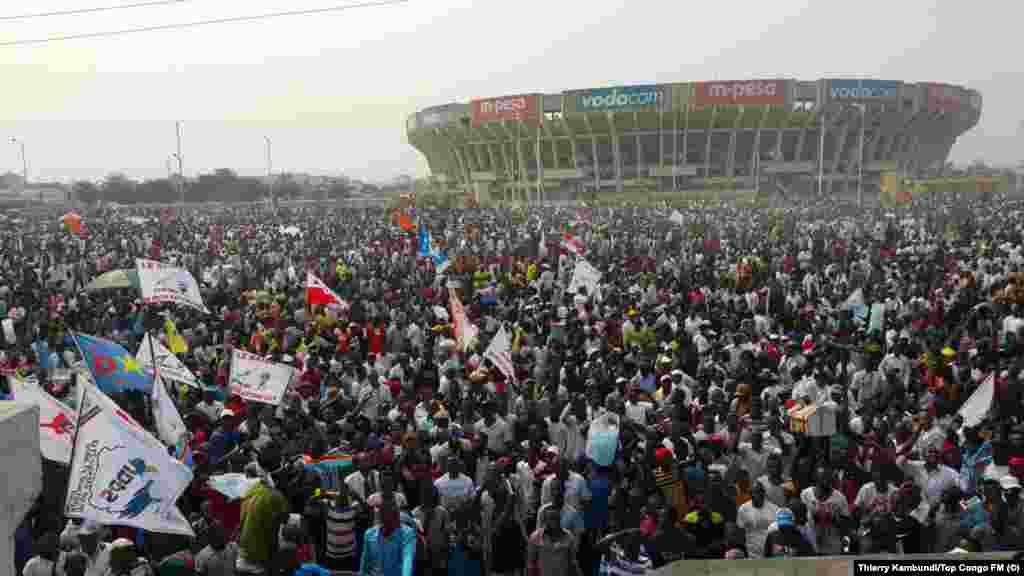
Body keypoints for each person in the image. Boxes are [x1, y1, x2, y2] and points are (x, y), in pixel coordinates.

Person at [236, 447, 290, 575]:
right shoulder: (276, 497)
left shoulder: (251, 488)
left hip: (243, 555)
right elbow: (284, 519)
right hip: (259, 562)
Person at [359, 493, 416, 576]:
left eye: (395, 513)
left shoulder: (407, 534)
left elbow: (407, 561)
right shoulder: (369, 534)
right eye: (386, 513)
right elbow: (364, 568)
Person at [527, 507, 579, 576]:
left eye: (556, 518)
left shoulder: (568, 536)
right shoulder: (536, 537)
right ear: (545, 520)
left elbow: (573, 562)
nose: (554, 521)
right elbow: (531, 563)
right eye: (551, 518)